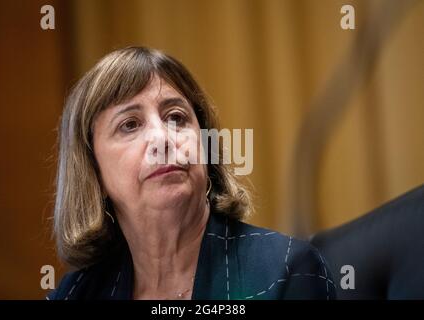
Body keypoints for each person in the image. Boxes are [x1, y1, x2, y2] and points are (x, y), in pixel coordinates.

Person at [47, 46, 335, 300]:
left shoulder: (287, 271)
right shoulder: (76, 292)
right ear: (93, 170)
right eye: (130, 125)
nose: (162, 138)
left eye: (176, 117)